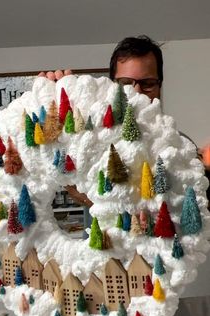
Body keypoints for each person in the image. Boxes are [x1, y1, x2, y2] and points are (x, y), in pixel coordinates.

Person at [39, 35, 209, 209]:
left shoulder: (180, 144)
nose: (135, 91)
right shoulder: (94, 137)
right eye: (125, 83)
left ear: (160, 85)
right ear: (112, 85)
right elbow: (64, 172)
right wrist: (54, 98)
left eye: (148, 83)